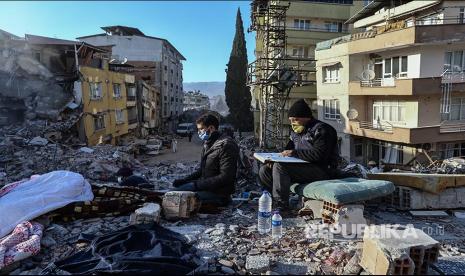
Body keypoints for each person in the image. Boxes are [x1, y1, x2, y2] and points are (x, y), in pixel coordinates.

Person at [258, 99, 339, 208]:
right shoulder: (296, 132)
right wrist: (274, 158)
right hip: (302, 168)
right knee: (265, 169)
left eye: (295, 120)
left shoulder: (322, 130)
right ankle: (270, 201)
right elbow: (288, 150)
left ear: (306, 117)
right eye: (291, 120)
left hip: (322, 169)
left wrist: (294, 153)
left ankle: (281, 205)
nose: (293, 123)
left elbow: (319, 155)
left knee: (280, 167)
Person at [171, 114, 239, 207]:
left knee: (176, 199)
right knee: (172, 193)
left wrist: (197, 185)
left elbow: (226, 176)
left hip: (219, 194)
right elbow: (202, 170)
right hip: (205, 187)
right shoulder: (208, 144)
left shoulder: (227, 145)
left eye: (200, 129)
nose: (198, 132)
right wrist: (185, 180)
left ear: (210, 128)